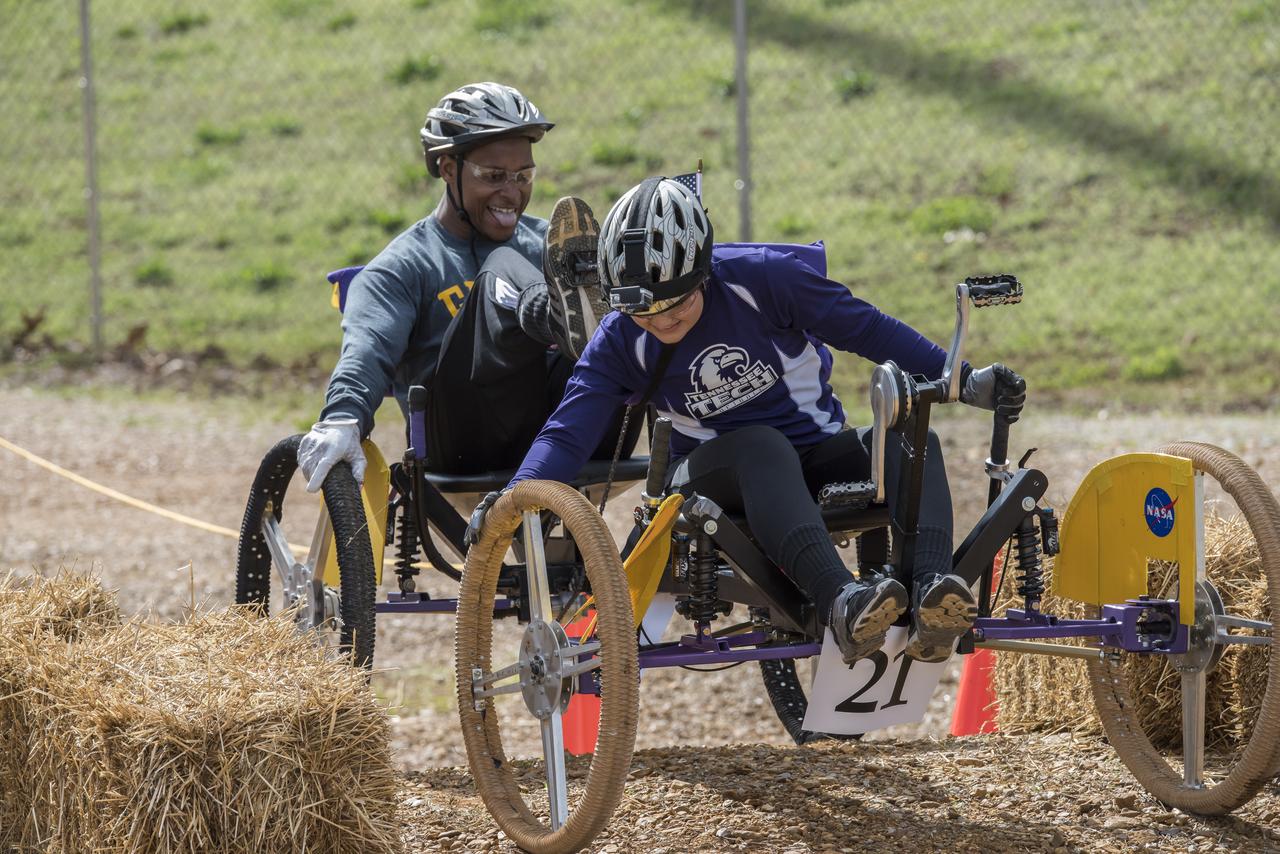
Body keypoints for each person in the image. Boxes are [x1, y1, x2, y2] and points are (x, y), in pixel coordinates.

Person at [468, 176, 1025, 664]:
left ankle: (933, 593)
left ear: (704, 270)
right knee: (759, 445)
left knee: (910, 432)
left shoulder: (767, 280)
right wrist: (515, 497)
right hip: (712, 483)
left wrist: (962, 378)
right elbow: (569, 430)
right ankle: (842, 604)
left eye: (676, 303)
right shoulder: (619, 338)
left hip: (814, 457)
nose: (660, 321)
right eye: (644, 311)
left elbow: (871, 331)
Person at [296, 82, 616, 491]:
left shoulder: (550, 243)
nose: (512, 192)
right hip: (463, 442)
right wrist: (343, 416)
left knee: (599, 300)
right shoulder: (405, 265)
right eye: (494, 176)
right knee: (503, 265)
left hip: (567, 429)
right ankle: (549, 313)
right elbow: (367, 349)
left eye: (523, 175)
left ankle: (600, 325)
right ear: (448, 169)